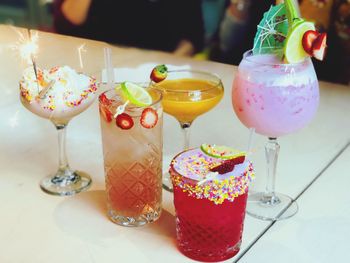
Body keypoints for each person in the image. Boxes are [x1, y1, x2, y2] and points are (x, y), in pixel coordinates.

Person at [53, 0, 204, 56]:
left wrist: (165, 69)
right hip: (100, 66)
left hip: (156, 73)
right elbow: (68, 21)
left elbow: (193, 37)